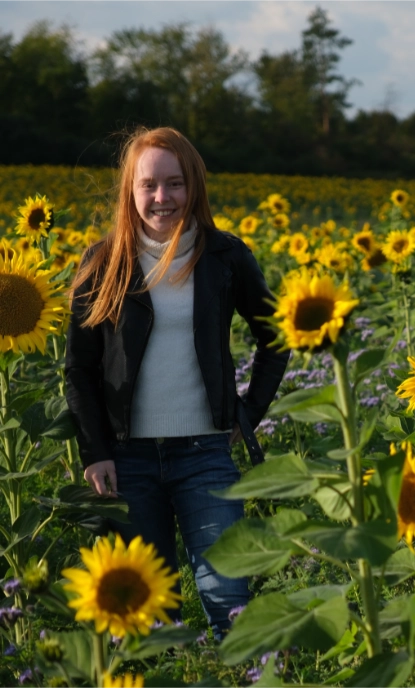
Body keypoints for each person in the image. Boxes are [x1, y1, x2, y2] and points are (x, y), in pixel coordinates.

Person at [65, 126, 289, 640]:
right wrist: (94, 451)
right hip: (127, 461)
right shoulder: (103, 263)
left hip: (204, 453)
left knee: (228, 599)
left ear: (194, 187)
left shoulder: (225, 257)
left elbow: (276, 337)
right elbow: (78, 368)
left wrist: (246, 413)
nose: (162, 198)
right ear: (131, 191)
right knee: (147, 614)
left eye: (175, 183)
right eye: (149, 185)